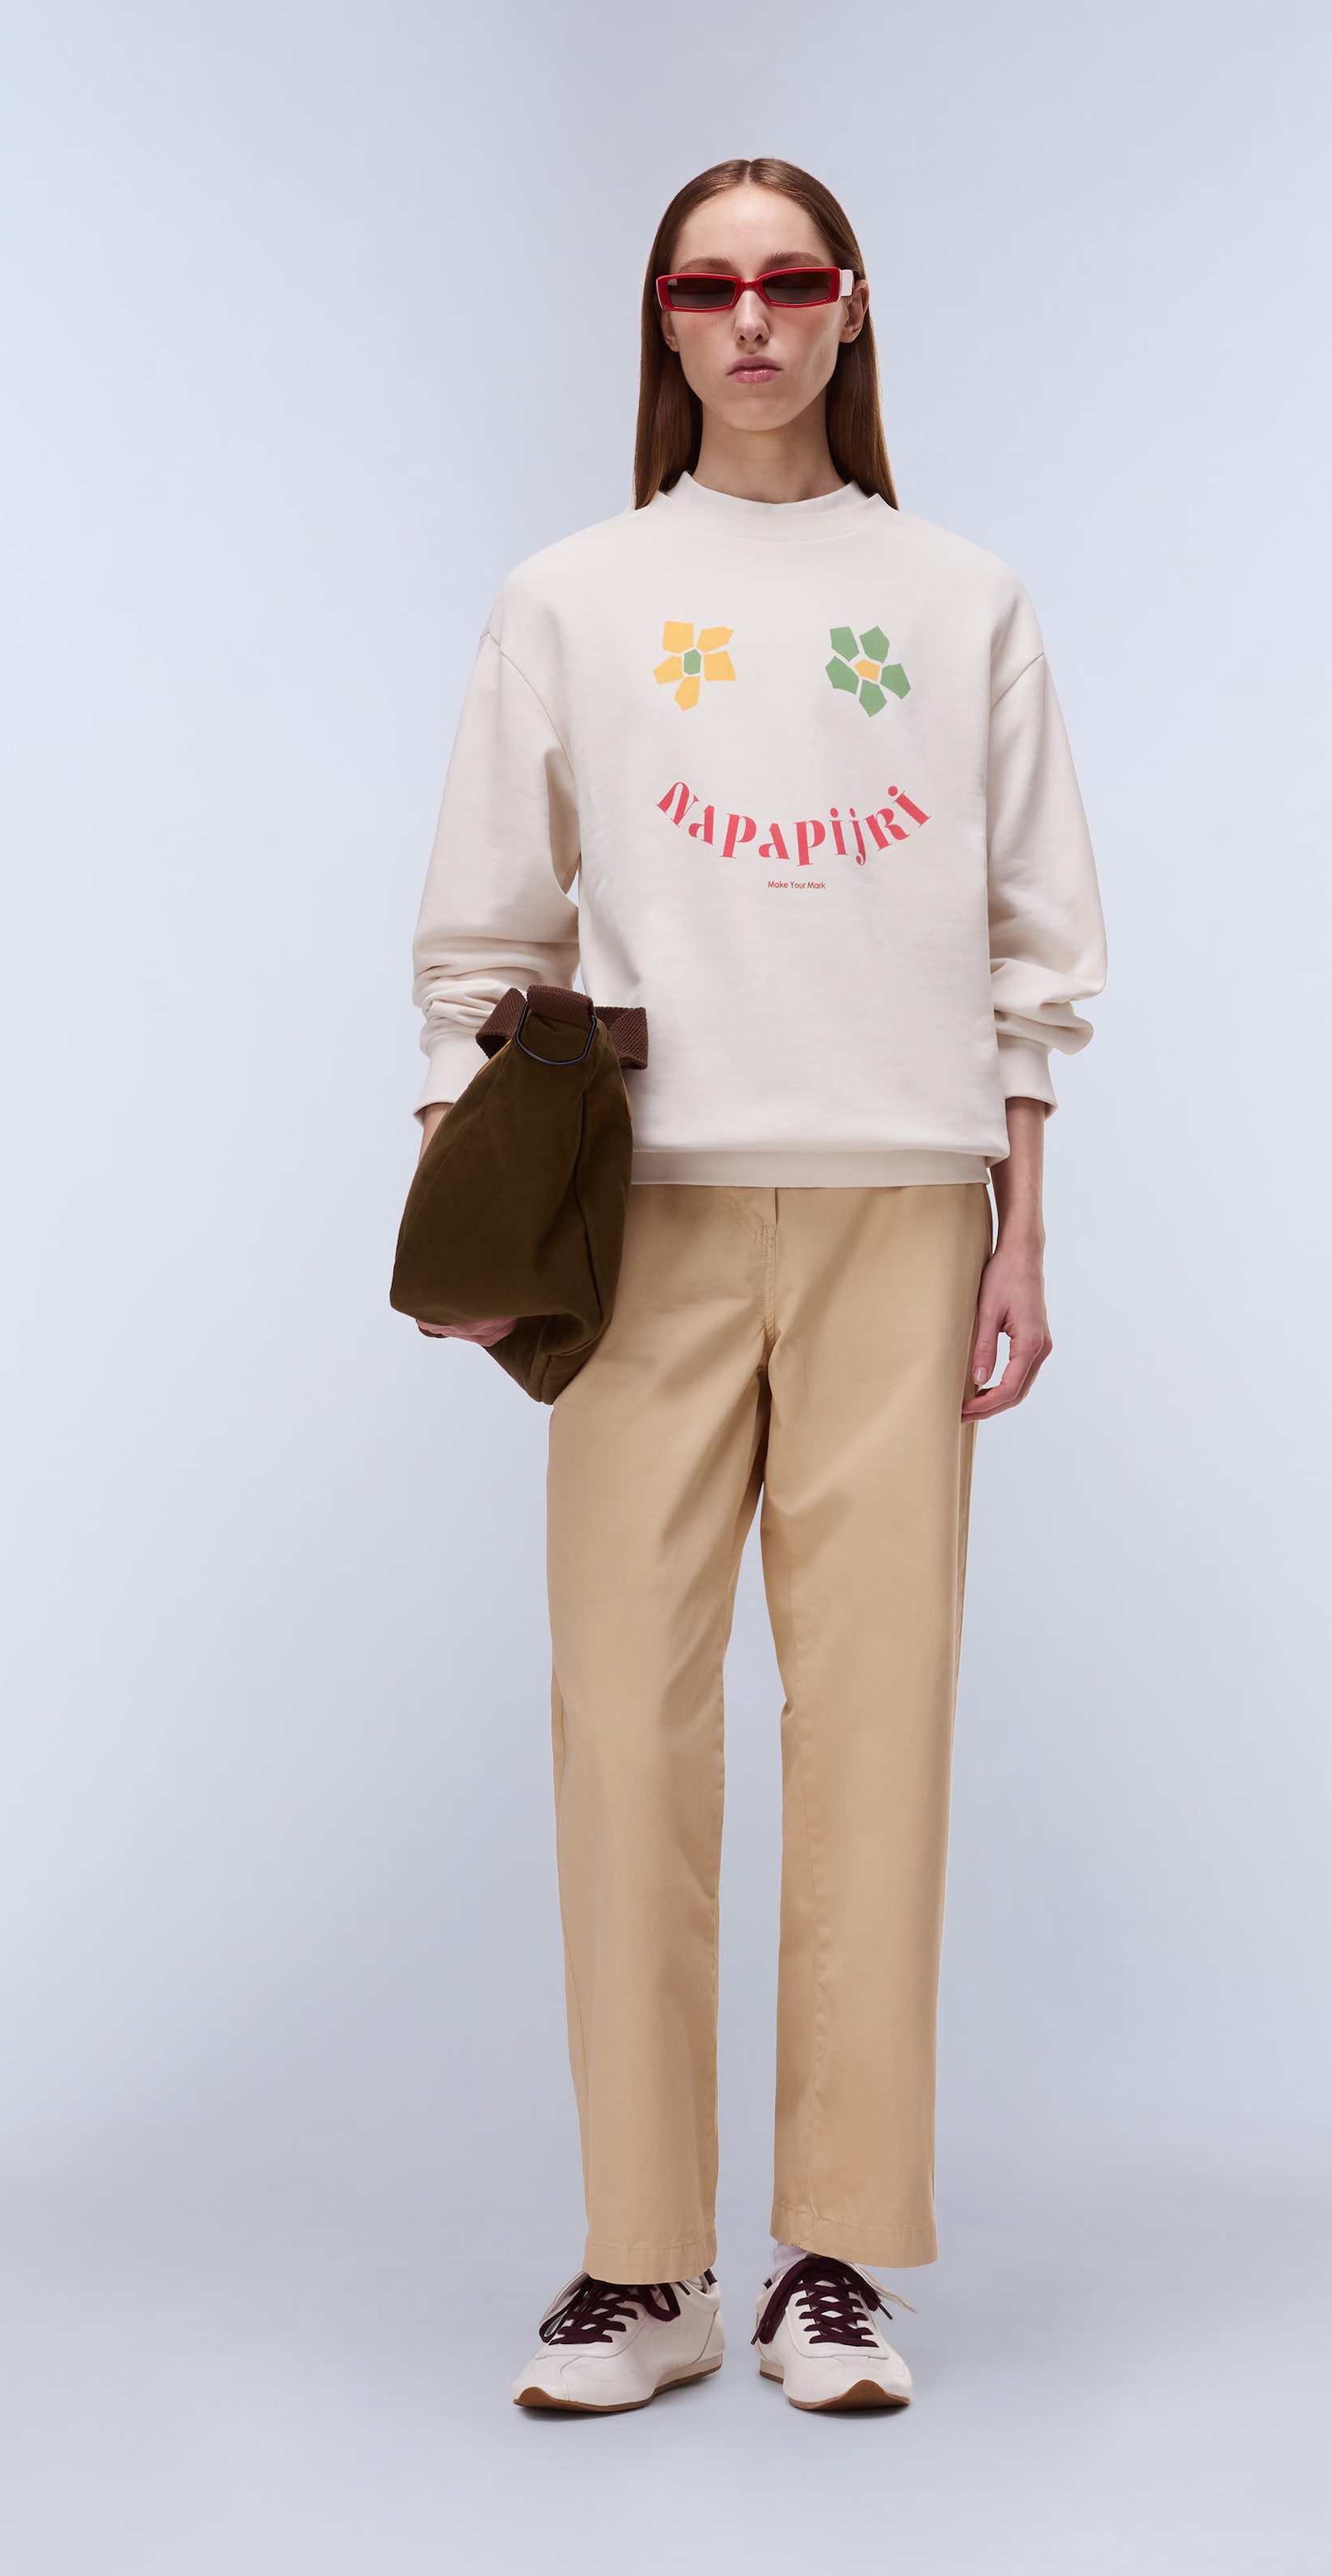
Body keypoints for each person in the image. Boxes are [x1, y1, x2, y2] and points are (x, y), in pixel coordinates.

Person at [408, 157, 1106, 2413]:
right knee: (627, 1723)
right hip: (646, 1217)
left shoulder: (962, 597)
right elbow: (485, 926)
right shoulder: (574, 597)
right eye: (709, 287)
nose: (753, 321)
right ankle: (645, 2270)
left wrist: (1022, 1227)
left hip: (901, 1203)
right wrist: (465, 1200)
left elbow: (1033, 950)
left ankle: (830, 2259)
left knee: (876, 1724)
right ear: (664, 320)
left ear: (851, 308)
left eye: (792, 281)